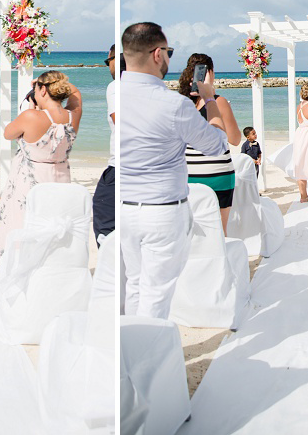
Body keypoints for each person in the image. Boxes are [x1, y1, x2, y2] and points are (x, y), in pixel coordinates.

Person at [120, 22, 228, 319]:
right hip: (162, 211)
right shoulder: (174, 105)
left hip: (125, 207)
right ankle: (146, 362)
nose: (169, 58)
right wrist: (209, 99)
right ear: (157, 54)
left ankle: (129, 354)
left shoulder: (113, 93)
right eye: (168, 51)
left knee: (135, 285)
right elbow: (217, 144)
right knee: (156, 294)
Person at [0, 70, 82, 299]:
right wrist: (50, 85)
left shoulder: (31, 117)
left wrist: (30, 108)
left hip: (31, 182)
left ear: (43, 90)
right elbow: (76, 95)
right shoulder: (72, 116)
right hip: (60, 182)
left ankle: (17, 277)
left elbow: (9, 133)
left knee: (19, 227)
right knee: (51, 230)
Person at [178, 53, 242, 234]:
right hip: (217, 174)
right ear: (211, 73)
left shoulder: (183, 102)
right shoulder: (218, 101)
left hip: (189, 174)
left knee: (192, 231)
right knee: (219, 231)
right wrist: (212, 99)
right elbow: (235, 139)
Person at [92, 45, 116, 244]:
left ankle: (109, 270)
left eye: (108, 61)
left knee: (104, 222)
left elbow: (121, 122)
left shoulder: (117, 86)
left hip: (121, 167)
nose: (108, 66)